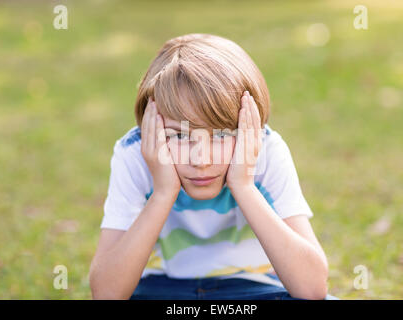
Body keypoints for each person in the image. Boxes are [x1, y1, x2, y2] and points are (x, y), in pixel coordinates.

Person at [89, 33, 337, 300]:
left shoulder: (266, 152)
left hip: (254, 287)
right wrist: (162, 192)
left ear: (248, 129)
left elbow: (312, 290)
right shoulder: (136, 155)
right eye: (179, 136)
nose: (201, 159)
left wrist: (243, 186)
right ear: (152, 128)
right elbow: (107, 293)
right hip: (160, 290)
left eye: (221, 135)